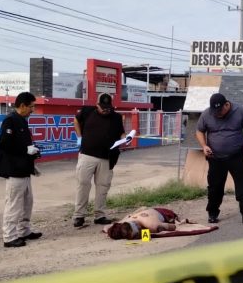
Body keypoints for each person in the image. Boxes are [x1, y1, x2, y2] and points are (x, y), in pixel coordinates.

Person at [196, 93, 243, 224]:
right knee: (215, 187)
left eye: (220, 111)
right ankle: (212, 212)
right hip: (215, 157)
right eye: (215, 111)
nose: (217, 114)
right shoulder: (207, 114)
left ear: (227, 104)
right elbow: (199, 131)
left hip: (236, 155)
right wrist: (204, 146)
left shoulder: (239, 111)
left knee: (242, 183)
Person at [0, 92, 43, 248]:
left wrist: (32, 155)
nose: (33, 110)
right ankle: (9, 236)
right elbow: (4, 144)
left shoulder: (22, 121)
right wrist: (25, 150)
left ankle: (24, 231)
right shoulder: (10, 121)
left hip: (24, 169)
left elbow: (24, 145)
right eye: (31, 106)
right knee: (14, 204)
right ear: (22, 106)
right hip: (14, 170)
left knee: (27, 202)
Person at [72, 93, 126, 227]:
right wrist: (79, 137)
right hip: (87, 155)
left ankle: (100, 215)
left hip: (107, 158)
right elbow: (76, 121)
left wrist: (125, 139)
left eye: (108, 107)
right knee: (83, 184)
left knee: (103, 187)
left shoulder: (116, 117)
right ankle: (79, 215)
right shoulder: (87, 111)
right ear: (97, 105)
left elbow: (121, 132)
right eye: (103, 107)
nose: (106, 110)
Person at [105, 207, 178, 240]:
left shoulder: (152, 224)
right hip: (142, 213)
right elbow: (106, 228)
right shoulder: (123, 223)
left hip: (162, 212)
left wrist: (145, 234)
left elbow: (173, 227)